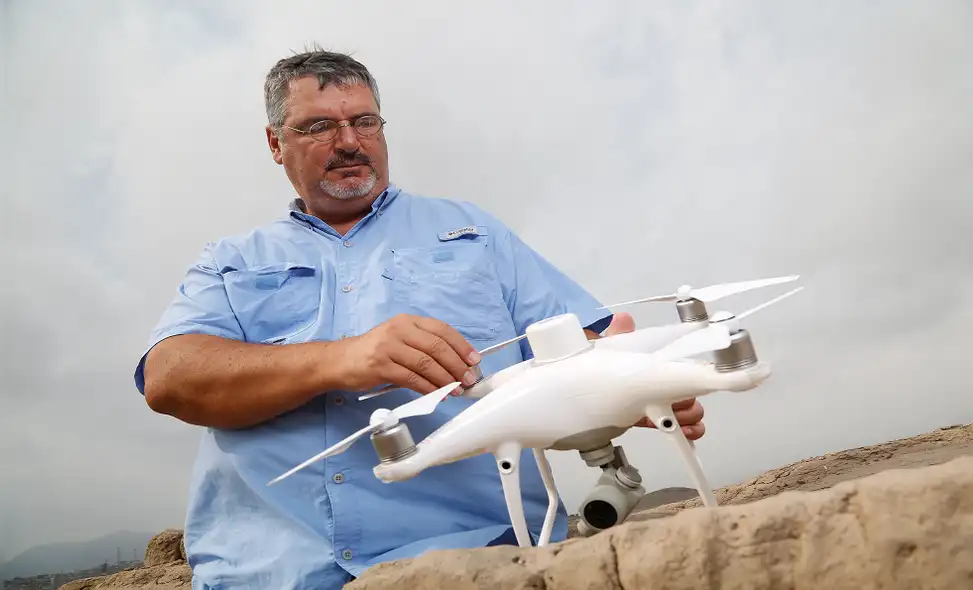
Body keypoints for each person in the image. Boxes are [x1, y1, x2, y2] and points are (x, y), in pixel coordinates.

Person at [134, 48, 707, 589]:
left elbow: (574, 348)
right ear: (275, 143)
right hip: (268, 570)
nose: (349, 141)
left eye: (366, 122)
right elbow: (170, 379)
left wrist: (625, 383)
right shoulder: (229, 261)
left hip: (475, 556)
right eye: (319, 127)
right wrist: (341, 358)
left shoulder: (475, 232)